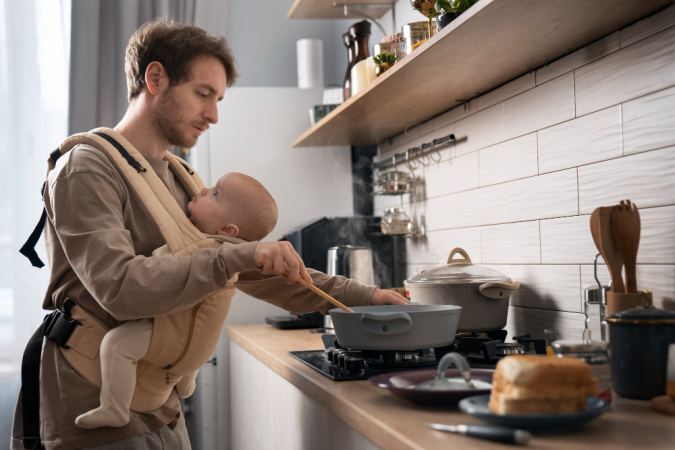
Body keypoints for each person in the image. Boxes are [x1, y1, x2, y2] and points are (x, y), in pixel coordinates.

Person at [11, 18, 407, 450]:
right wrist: (240, 256)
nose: (214, 115)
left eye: (218, 99)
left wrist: (366, 297)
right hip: (92, 401)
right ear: (156, 78)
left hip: (161, 400)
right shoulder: (87, 168)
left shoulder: (183, 177)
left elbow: (262, 272)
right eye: (203, 94)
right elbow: (120, 288)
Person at [75, 172, 278, 430]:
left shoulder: (200, 248)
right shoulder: (233, 255)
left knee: (116, 345)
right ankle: (186, 384)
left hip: (173, 334)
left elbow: (157, 275)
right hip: (200, 348)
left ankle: (115, 408)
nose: (204, 190)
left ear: (227, 230)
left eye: (215, 194)